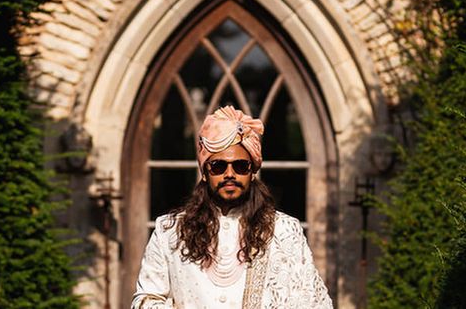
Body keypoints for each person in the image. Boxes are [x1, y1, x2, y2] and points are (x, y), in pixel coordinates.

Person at [132, 105, 333, 308]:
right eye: (218, 166)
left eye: (240, 166)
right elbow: (146, 301)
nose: (229, 174)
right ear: (205, 172)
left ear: (252, 171)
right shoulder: (169, 232)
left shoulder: (284, 232)